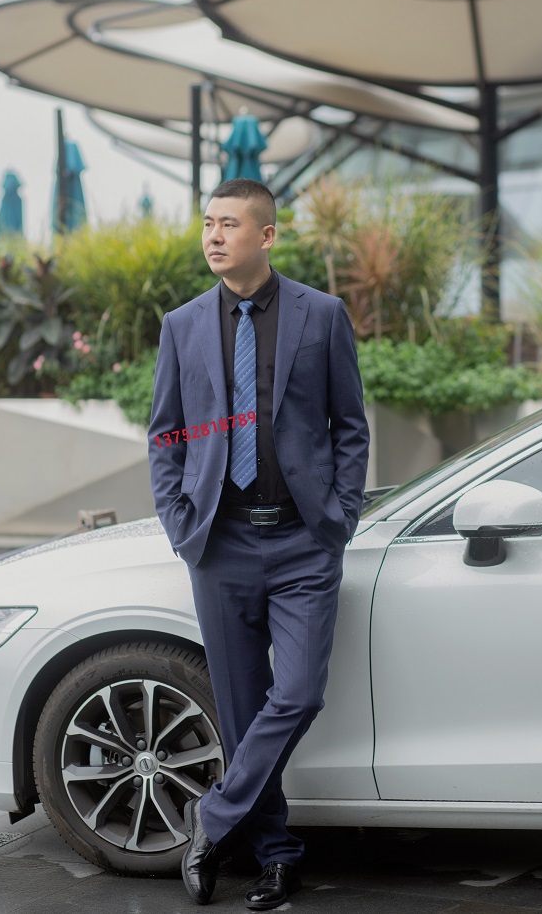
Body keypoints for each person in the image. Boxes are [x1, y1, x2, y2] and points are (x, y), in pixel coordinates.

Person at [148, 178, 369, 909]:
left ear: (266, 235)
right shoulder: (182, 325)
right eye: (208, 224)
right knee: (243, 712)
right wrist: (181, 522)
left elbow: (350, 425)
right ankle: (275, 856)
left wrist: (339, 517)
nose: (213, 237)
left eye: (229, 224)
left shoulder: (321, 314)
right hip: (220, 544)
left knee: (298, 693)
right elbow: (166, 434)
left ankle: (211, 821)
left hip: (305, 541)